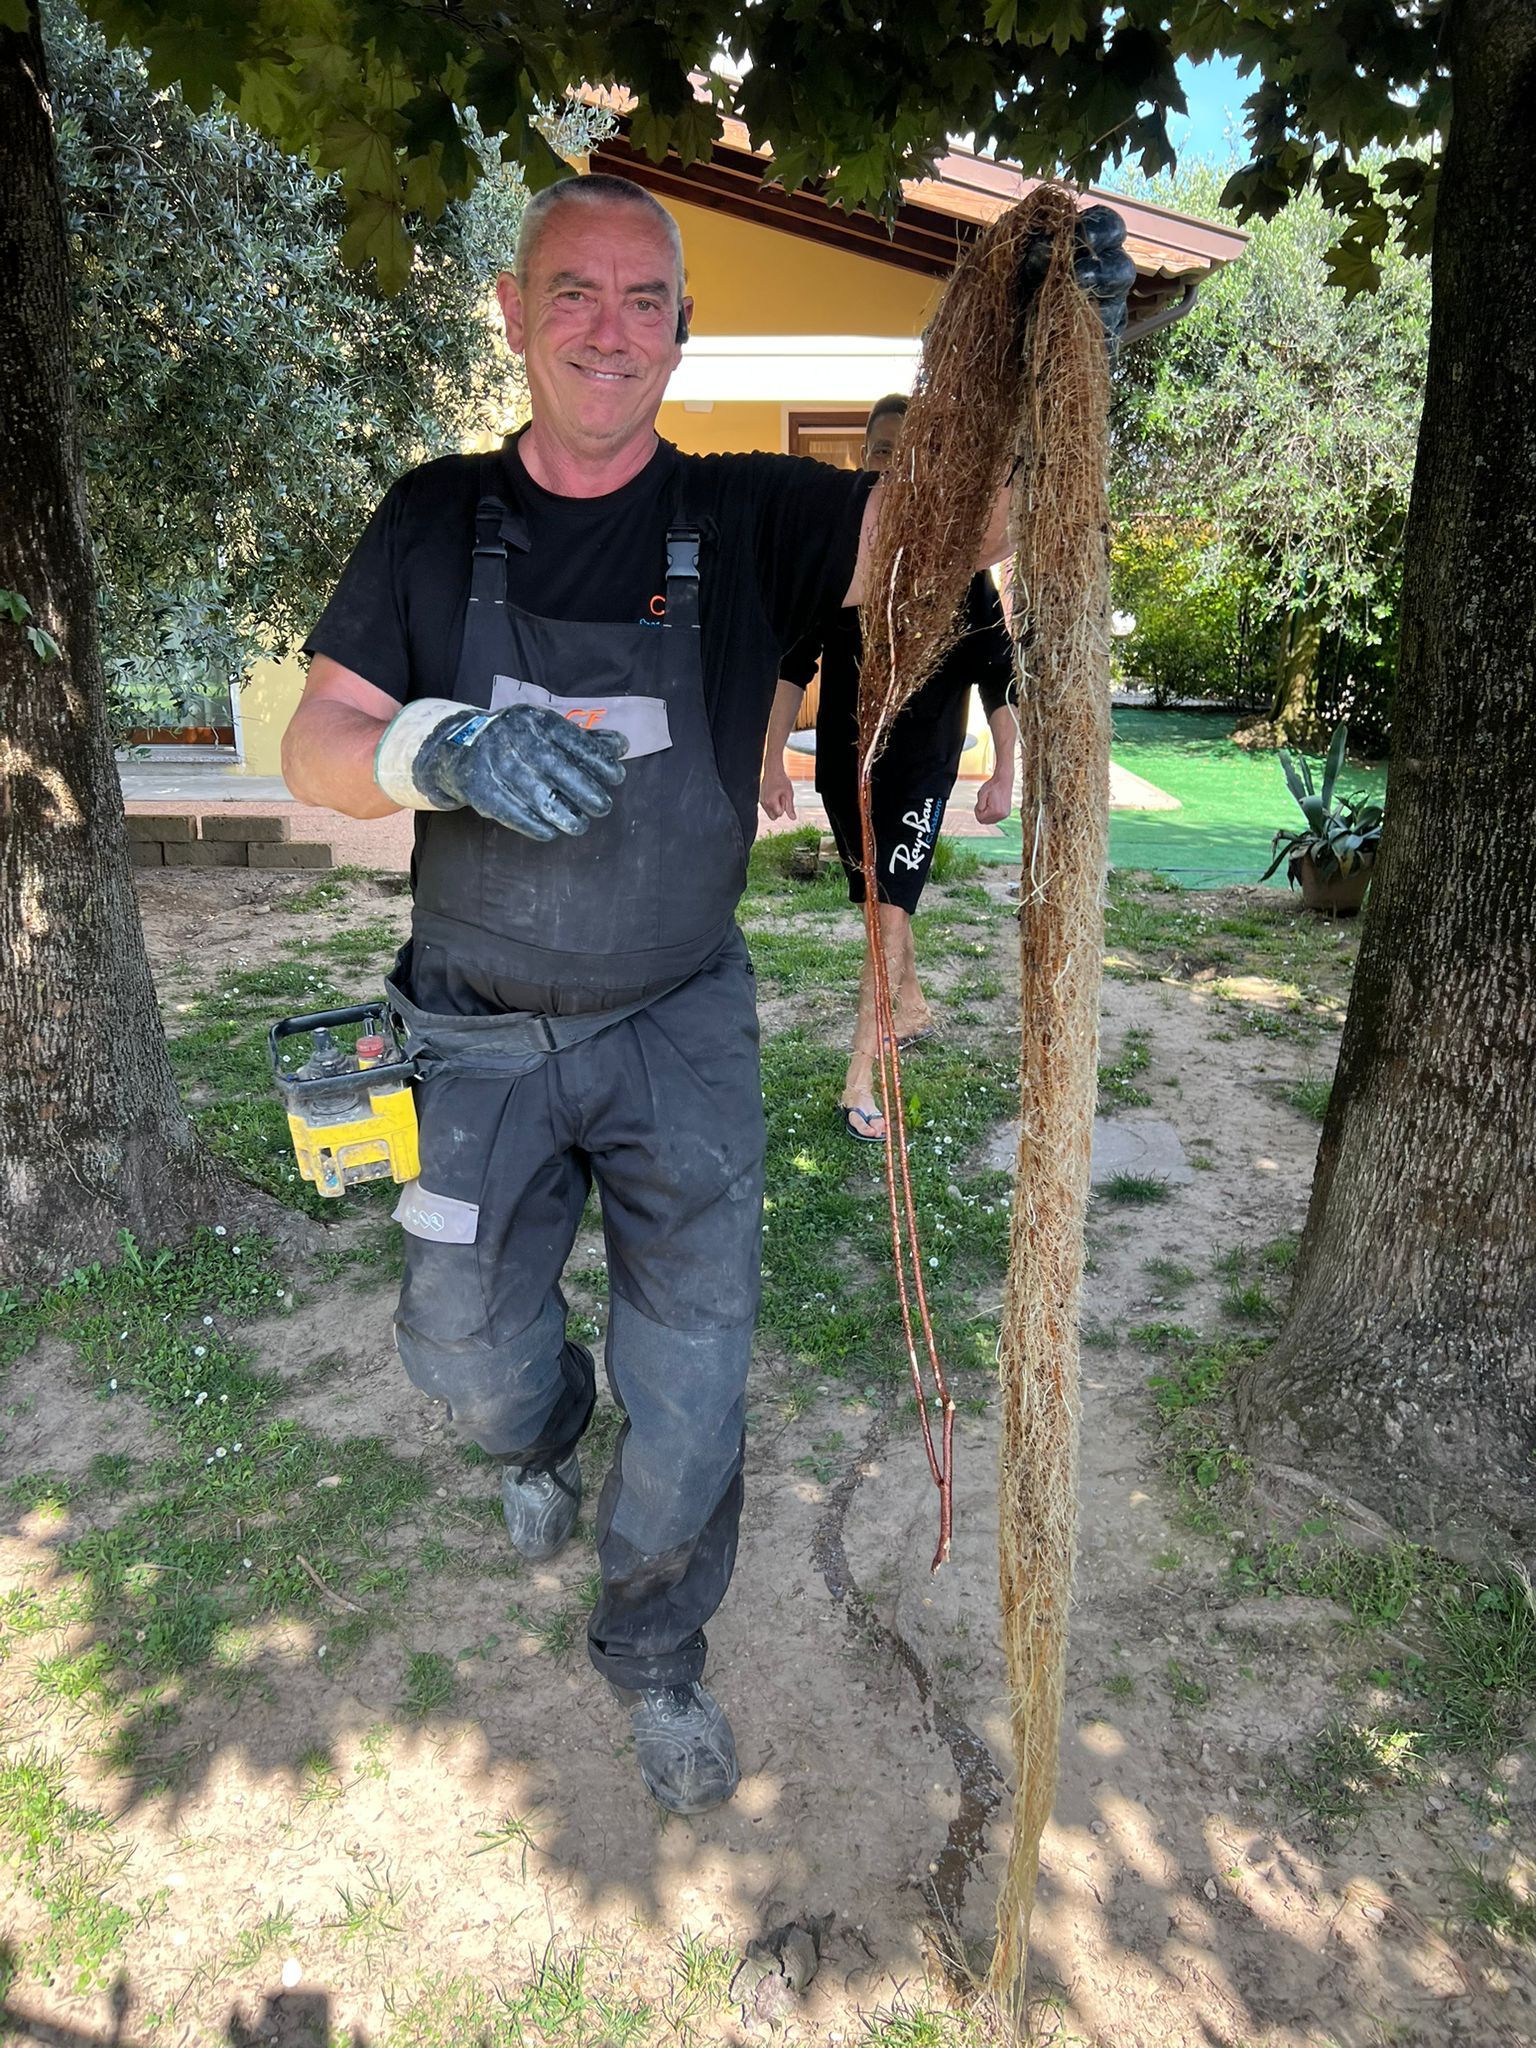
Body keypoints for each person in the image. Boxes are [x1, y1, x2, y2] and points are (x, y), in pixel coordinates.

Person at [281, 174, 1137, 1816]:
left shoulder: (751, 515)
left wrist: (1064, 358)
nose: (609, 328)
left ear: (683, 330)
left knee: (693, 1379)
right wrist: (429, 743)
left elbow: (965, 528)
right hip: (469, 1030)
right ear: (516, 316)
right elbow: (314, 737)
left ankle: (658, 1652)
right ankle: (536, 1433)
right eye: (574, 294)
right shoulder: (432, 513)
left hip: (677, 1023)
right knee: (457, 1351)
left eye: (643, 300)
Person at [759, 394, 1018, 1142]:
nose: (892, 462)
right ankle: (911, 1006)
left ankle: (859, 1079)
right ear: (864, 457)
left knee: (885, 911)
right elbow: (793, 662)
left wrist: (1004, 769)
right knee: (877, 900)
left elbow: (998, 674)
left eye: (909, 449)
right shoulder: (843, 557)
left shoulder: (964, 569)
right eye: (880, 448)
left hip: (921, 768)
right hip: (844, 768)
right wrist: (771, 759)